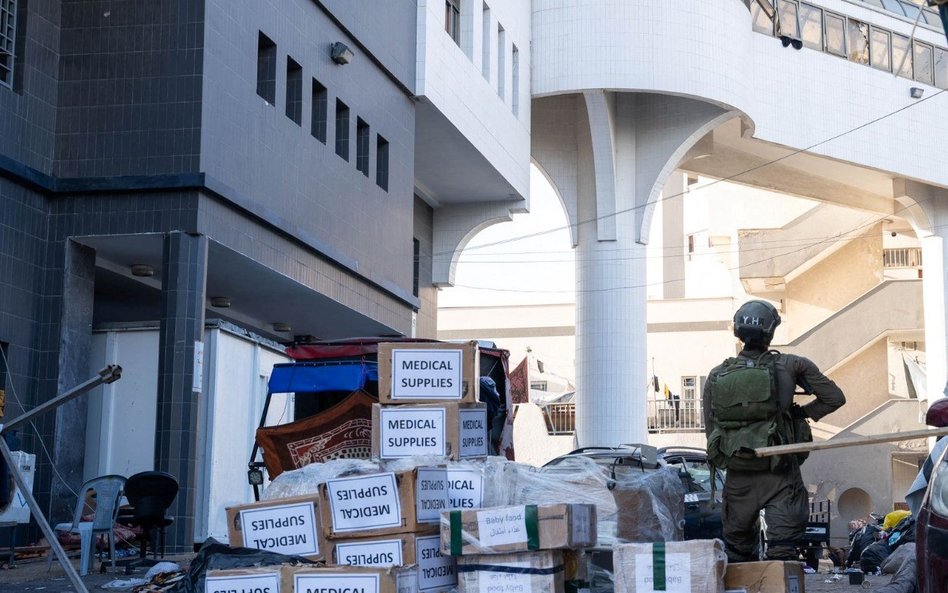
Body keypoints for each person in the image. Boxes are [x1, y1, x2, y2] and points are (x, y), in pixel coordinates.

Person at [703, 299, 845, 562]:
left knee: (738, 555)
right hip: (780, 474)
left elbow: (711, 431)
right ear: (771, 331)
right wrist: (800, 413)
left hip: (738, 476)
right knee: (782, 554)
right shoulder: (792, 365)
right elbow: (834, 398)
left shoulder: (716, 375)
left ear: (738, 331)